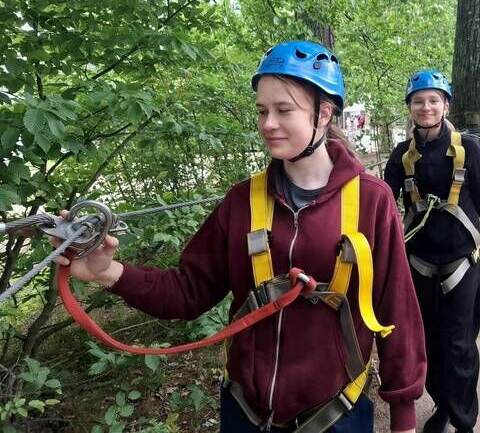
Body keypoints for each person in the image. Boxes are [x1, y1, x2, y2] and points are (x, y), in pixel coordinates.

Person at [53, 41, 426, 432]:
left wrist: (403, 415)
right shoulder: (242, 202)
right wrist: (107, 271)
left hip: (336, 416)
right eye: (262, 111)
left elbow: (397, 310)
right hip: (244, 413)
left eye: (283, 110)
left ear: (323, 114)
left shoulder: (370, 200)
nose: (267, 123)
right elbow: (187, 291)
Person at [383, 70, 480, 433]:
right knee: (428, 342)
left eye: (434, 100)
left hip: (460, 263)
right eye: (418, 101)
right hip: (418, 263)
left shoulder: (467, 149)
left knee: (460, 345)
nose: (426, 107)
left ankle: (464, 421)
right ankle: (443, 407)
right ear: (410, 108)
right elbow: (381, 205)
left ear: (446, 105)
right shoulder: (402, 156)